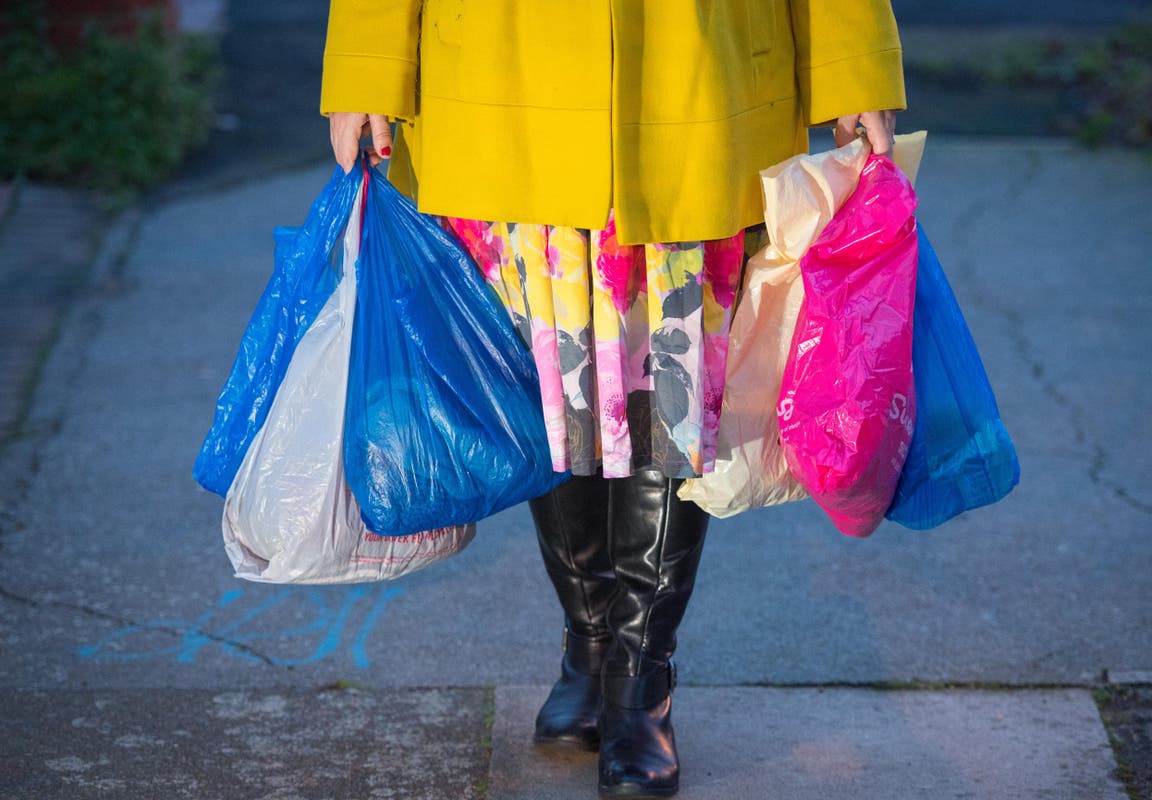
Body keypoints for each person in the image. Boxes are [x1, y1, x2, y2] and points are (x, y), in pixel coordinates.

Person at [321, 2, 904, 796]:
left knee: (675, 396)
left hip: (694, 73)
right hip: (503, 79)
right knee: (549, 394)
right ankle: (591, 643)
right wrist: (365, 67)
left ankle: (639, 679)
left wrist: (853, 67)